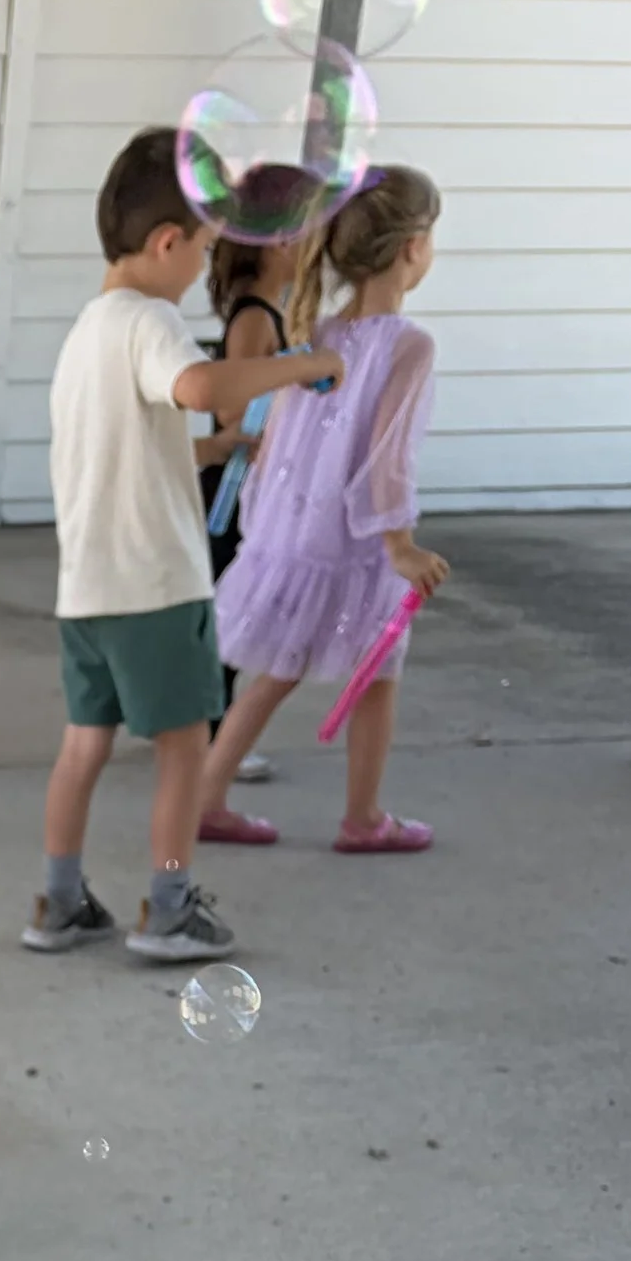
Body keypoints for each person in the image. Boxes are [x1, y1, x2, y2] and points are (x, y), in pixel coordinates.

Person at [25, 127, 341, 964]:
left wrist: (213, 451)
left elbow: (133, 444)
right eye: (202, 250)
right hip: (157, 586)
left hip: (86, 592)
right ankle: (167, 909)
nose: (204, 267)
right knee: (183, 747)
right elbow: (200, 387)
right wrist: (300, 363)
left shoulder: (85, 333)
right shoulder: (149, 319)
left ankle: (58, 903)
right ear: (167, 242)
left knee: (83, 744)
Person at [194, 168, 450, 853]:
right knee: (379, 672)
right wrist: (400, 544)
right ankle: (363, 817)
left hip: (294, 533)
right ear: (412, 248)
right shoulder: (408, 344)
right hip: (355, 543)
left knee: (277, 668)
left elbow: (281, 439)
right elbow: (387, 455)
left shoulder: (317, 329)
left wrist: (263, 521)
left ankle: (206, 798)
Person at [193, 211, 304, 789]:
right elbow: (232, 410)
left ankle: (196, 728)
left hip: (246, 487)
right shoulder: (254, 318)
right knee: (228, 609)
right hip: (229, 489)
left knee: (225, 606)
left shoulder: (269, 314)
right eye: (292, 238)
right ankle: (212, 739)